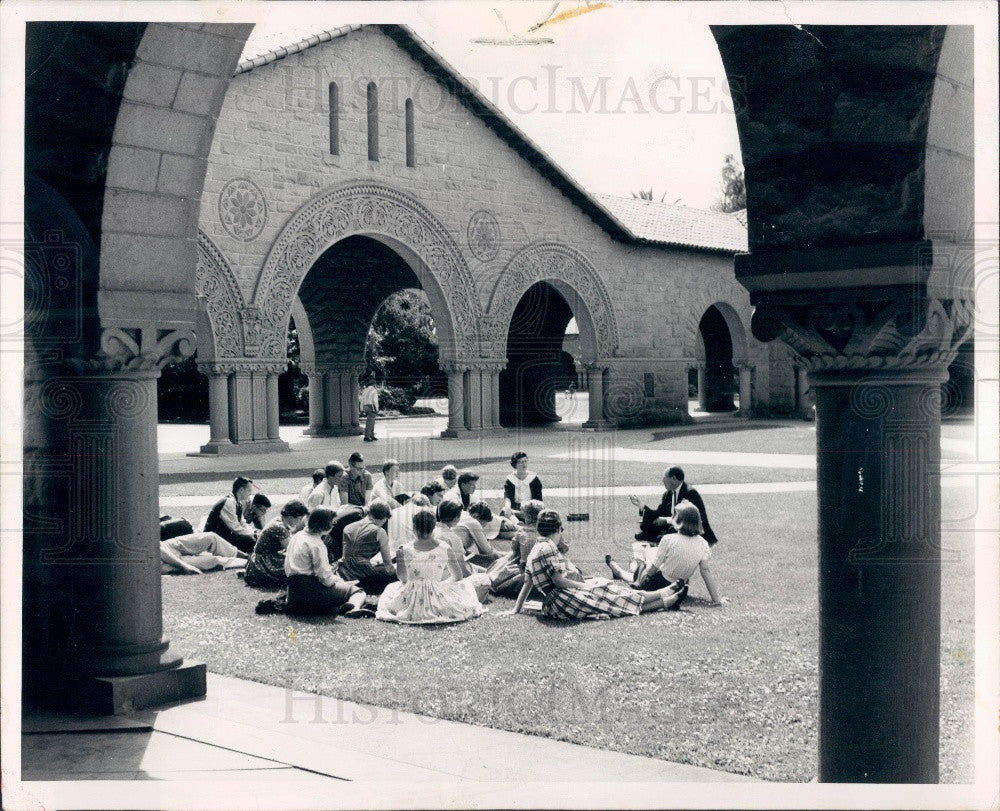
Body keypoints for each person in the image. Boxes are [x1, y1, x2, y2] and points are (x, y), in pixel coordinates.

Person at [512, 510, 685, 620]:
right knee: (605, 593)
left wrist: (516, 610)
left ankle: (664, 600)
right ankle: (662, 596)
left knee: (609, 597)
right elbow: (558, 581)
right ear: (557, 529)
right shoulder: (548, 547)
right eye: (561, 530)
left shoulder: (536, 548)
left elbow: (528, 583)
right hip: (561, 599)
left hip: (555, 604)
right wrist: (583, 585)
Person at [606, 501, 727, 606]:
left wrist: (645, 566)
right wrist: (716, 599)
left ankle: (617, 569)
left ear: (679, 521)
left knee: (638, 569)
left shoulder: (669, 539)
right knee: (640, 567)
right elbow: (705, 571)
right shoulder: (703, 543)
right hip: (681, 588)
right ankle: (625, 568)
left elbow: (652, 571)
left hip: (658, 585)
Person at [376, 508, 484, 625]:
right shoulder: (445, 547)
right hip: (436, 591)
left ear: (414, 528)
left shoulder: (404, 549)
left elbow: (402, 578)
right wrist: (443, 585)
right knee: (465, 586)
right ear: (433, 528)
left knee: (391, 590)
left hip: (412, 592)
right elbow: (458, 576)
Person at [284, 506, 371, 618]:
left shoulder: (297, 536)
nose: (334, 526)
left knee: (340, 586)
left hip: (293, 593)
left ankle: (344, 604)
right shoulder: (316, 544)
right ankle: (354, 607)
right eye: (333, 523)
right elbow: (325, 579)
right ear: (324, 524)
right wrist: (340, 582)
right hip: (311, 592)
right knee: (358, 591)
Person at [629, 465, 718, 546]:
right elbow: (659, 513)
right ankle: (656, 536)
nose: (662, 480)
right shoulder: (668, 494)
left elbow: (690, 519)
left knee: (667, 534)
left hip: (690, 529)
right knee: (646, 524)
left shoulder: (690, 493)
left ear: (674, 479)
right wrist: (641, 505)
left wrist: (666, 520)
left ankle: (657, 538)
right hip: (675, 525)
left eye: (664, 477)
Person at [488, 499, 546, 599]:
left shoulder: (521, 532)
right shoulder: (547, 530)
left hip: (525, 568)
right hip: (544, 566)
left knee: (501, 565)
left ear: (527, 517)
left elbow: (514, 550)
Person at [243, 499, 309, 588]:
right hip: (263, 564)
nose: (300, 522)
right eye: (300, 518)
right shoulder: (279, 528)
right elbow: (292, 550)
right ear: (291, 516)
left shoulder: (279, 521)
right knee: (298, 569)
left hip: (261, 560)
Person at [337, 500, 397, 595]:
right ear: (383, 518)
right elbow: (388, 566)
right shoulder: (379, 531)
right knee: (398, 571)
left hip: (344, 571)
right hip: (364, 576)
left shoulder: (348, 527)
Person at [203, 475, 257, 554]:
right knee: (250, 541)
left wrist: (254, 532)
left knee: (252, 538)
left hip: (223, 537)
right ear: (241, 490)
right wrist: (252, 534)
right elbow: (235, 528)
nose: (250, 493)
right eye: (249, 490)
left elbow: (242, 524)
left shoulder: (238, 503)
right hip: (214, 540)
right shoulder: (229, 502)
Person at [160, 531, 247, 575]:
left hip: (167, 546)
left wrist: (184, 566)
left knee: (211, 537)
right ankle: (250, 563)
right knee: (214, 560)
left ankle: (246, 556)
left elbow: (159, 548)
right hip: (165, 563)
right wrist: (184, 566)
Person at [454, 502, 502, 568]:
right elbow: (487, 552)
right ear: (476, 516)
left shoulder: (463, 514)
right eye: (482, 524)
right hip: (454, 557)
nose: (482, 528)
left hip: (448, 551)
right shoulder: (473, 522)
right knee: (493, 562)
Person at [501, 452, 543, 520]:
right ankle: (517, 524)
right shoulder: (510, 480)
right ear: (515, 464)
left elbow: (539, 500)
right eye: (520, 462)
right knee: (504, 512)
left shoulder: (534, 478)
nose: (524, 464)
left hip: (531, 508)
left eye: (525, 461)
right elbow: (508, 497)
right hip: (515, 509)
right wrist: (507, 507)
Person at [360, 377, 380, 442]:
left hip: (365, 406)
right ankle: (367, 436)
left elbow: (362, 399)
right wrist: (377, 408)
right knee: (370, 422)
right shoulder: (374, 390)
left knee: (371, 421)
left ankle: (371, 435)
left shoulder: (365, 390)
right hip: (371, 406)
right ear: (374, 384)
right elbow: (375, 400)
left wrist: (361, 408)